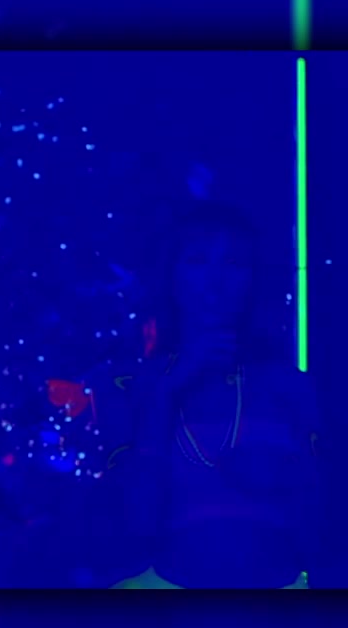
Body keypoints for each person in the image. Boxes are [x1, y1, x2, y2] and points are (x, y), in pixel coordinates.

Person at [104, 201, 327, 590]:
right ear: (171, 275)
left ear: (254, 278)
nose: (215, 279)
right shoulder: (133, 384)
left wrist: (288, 478)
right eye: (197, 260)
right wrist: (166, 394)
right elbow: (133, 526)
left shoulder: (289, 385)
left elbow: (322, 533)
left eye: (234, 263)